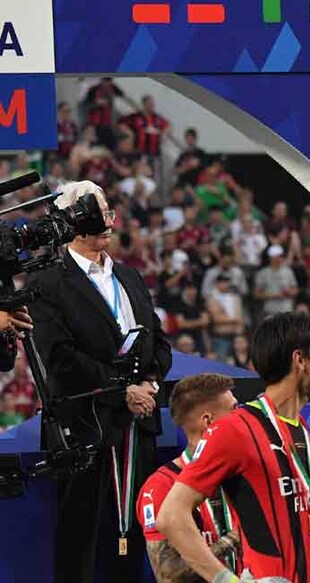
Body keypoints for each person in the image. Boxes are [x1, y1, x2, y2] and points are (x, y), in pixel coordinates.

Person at [29, 180, 172, 583]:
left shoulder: (130, 276)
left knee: (132, 543)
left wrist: (151, 383)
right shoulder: (49, 283)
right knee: (83, 546)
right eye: (100, 211)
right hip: (85, 433)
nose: (109, 220)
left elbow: (158, 342)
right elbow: (58, 357)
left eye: (109, 211)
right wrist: (119, 389)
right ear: (72, 219)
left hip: (137, 427)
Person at [157, 312, 310, 582]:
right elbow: (170, 516)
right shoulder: (235, 429)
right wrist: (225, 580)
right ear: (299, 360)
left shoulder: (302, 428)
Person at [136, 373, 240, 582]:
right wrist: (234, 539)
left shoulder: (244, 471)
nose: (242, 419)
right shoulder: (160, 487)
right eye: (234, 410)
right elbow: (168, 574)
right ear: (208, 421)